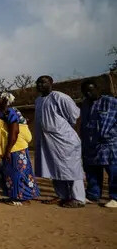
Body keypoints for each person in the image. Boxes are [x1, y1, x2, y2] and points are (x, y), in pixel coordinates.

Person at [34, 75, 86, 208]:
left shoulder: (60, 97)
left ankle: (78, 198)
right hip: (49, 142)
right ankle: (62, 196)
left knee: (72, 168)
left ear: (51, 83)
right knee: (54, 168)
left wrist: (62, 130)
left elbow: (74, 116)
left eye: (43, 82)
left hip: (64, 140)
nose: (40, 85)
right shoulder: (38, 100)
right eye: (38, 83)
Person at [0, 92, 39, 205]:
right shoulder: (3, 112)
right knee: (10, 172)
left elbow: (15, 132)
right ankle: (15, 195)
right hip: (11, 148)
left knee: (17, 173)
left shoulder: (10, 112)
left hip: (15, 149)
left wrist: (8, 150)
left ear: (4, 100)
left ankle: (20, 197)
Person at [80, 80, 117, 208]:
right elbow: (84, 123)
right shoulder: (85, 104)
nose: (88, 93)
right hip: (90, 144)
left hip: (108, 144)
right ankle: (93, 195)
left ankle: (115, 197)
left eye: (90, 90)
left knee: (113, 171)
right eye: (85, 92)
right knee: (92, 171)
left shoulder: (110, 102)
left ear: (97, 89)